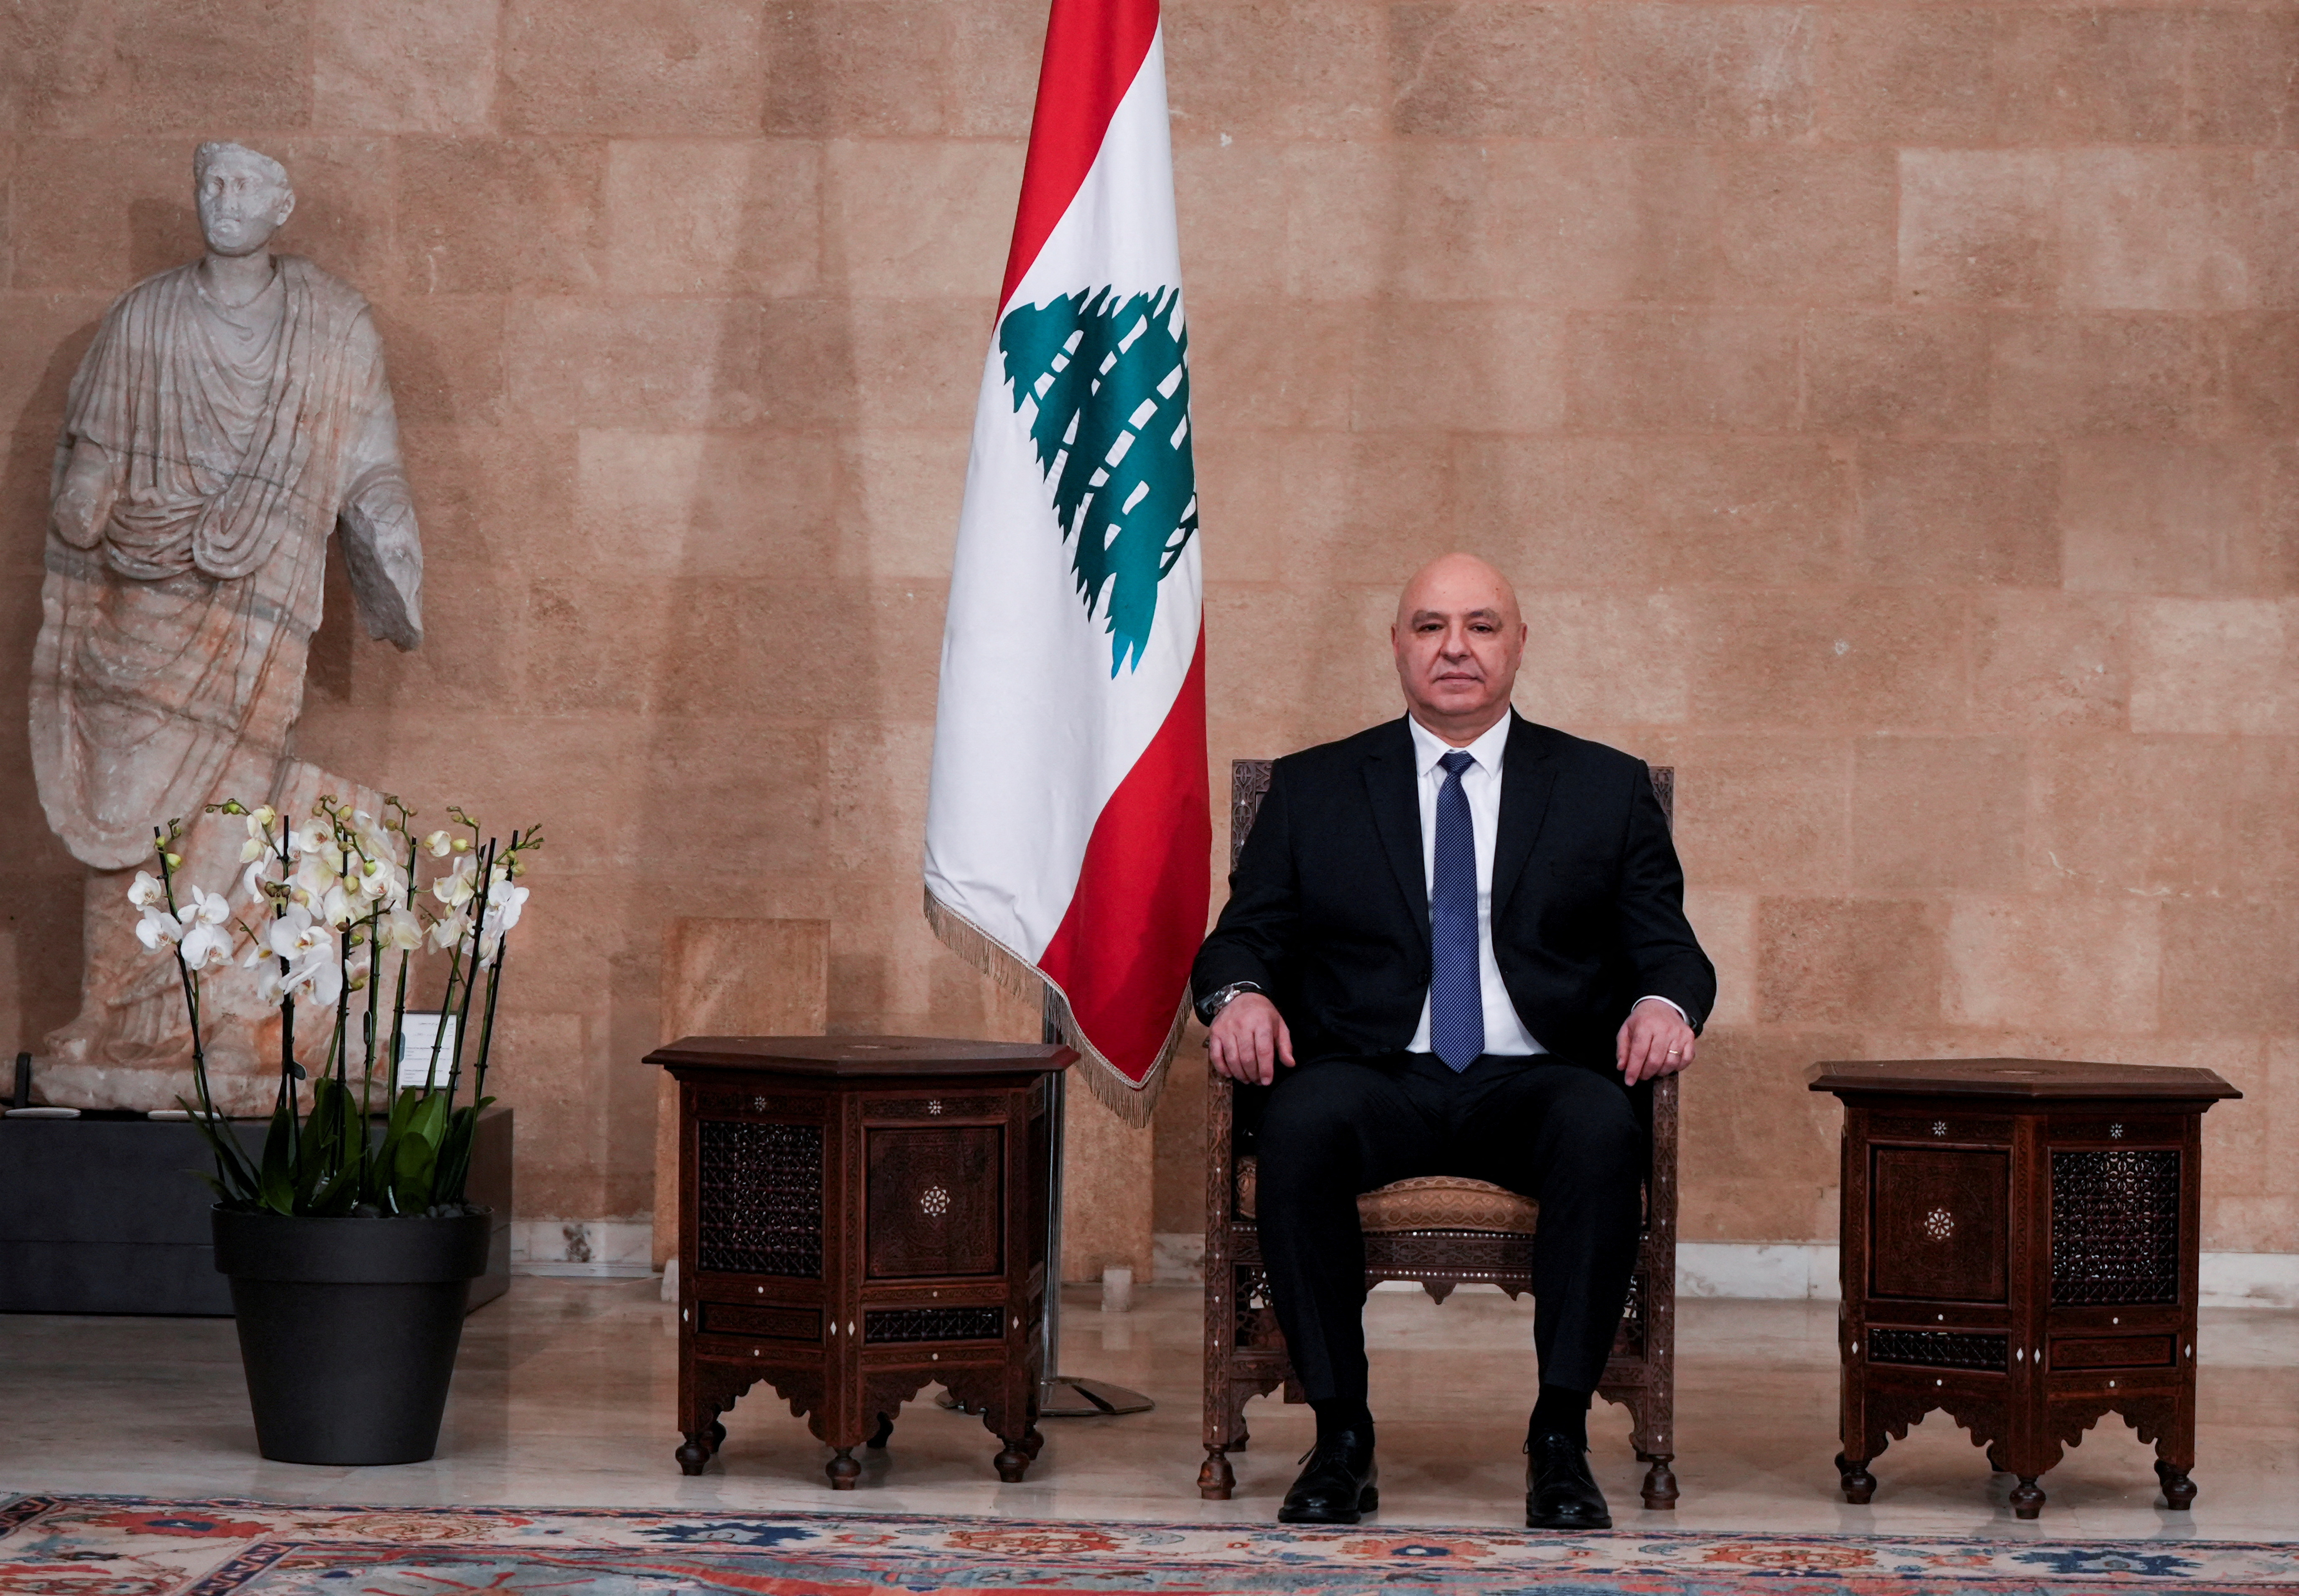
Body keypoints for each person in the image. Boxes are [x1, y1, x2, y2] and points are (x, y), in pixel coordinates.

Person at [1191, 552, 1715, 1530]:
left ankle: (1558, 1435)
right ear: (1396, 647)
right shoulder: (1313, 789)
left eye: (1480, 625)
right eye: (1430, 626)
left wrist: (1661, 1007)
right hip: (1371, 1074)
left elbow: (1669, 951)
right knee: (1299, 1127)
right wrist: (1240, 997)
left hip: (1535, 1077)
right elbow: (1241, 938)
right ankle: (1341, 1434)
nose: (1455, 648)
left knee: (1601, 1128)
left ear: (1518, 645)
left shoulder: (1603, 788)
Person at [31, 141, 423, 1112]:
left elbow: (368, 453)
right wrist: (85, 490)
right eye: (209, 182)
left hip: (260, 594)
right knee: (122, 809)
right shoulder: (145, 316)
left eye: (245, 184)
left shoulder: (332, 324)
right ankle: (108, 1012)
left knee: (232, 803)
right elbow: (93, 444)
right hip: (143, 589)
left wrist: (390, 530)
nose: (223, 199)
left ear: (284, 204)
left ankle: (211, 1018)